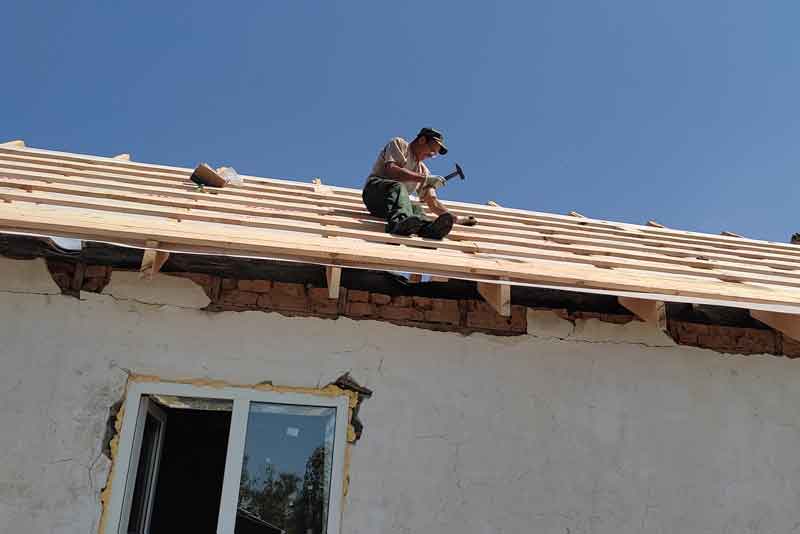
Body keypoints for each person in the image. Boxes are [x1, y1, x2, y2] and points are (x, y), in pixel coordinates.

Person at [362, 127, 474, 239]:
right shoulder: (399, 144)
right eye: (431, 150)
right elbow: (392, 171)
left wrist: (455, 219)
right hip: (374, 194)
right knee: (398, 187)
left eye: (434, 154)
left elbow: (432, 202)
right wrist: (425, 179)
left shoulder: (423, 170)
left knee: (416, 208)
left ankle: (427, 229)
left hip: (390, 209)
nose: (431, 155)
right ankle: (398, 223)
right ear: (422, 140)